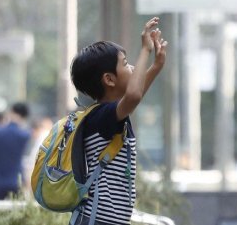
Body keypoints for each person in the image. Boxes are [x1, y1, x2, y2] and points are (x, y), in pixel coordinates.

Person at [69, 17, 168, 225]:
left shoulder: (108, 116)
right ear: (109, 79)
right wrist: (145, 51)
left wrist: (156, 67)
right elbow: (133, 96)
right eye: (125, 64)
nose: (133, 68)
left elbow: (135, 95)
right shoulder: (102, 116)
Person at [0, 101, 33, 200]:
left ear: (11, 112)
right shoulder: (24, 135)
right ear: (24, 117)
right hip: (16, 182)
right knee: (17, 214)